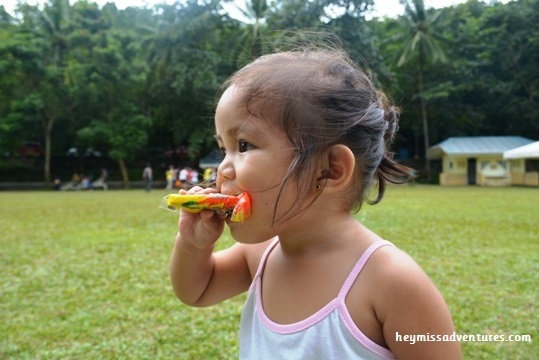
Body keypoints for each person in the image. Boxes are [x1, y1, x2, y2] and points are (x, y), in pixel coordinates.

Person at [169, 47, 462, 359]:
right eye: (222, 148)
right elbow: (197, 290)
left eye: (243, 145)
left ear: (331, 169)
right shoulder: (259, 255)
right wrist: (193, 244)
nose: (222, 170)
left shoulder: (392, 281)